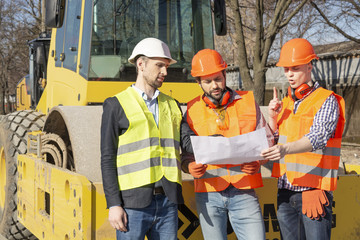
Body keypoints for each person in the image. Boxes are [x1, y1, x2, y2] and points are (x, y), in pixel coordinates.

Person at [181, 49, 273, 240]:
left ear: (225, 74)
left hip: (244, 191)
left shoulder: (248, 102)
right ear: (198, 82)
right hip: (208, 194)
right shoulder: (191, 110)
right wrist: (189, 166)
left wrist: (259, 162)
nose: (214, 85)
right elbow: (187, 152)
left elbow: (268, 141)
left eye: (218, 78)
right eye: (207, 81)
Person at [261, 38, 345, 240]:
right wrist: (273, 118)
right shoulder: (286, 103)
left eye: (295, 68)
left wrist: (285, 149)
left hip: (312, 190)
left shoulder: (326, 99)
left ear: (310, 66)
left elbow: (318, 137)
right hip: (285, 192)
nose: (289, 74)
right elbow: (274, 141)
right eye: (286, 69)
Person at [100, 37, 183, 240]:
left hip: (168, 202)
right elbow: (107, 158)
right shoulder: (115, 105)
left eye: (166, 66)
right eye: (159, 66)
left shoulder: (173, 104)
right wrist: (113, 204)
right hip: (132, 205)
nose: (165, 72)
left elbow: (186, 141)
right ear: (141, 64)